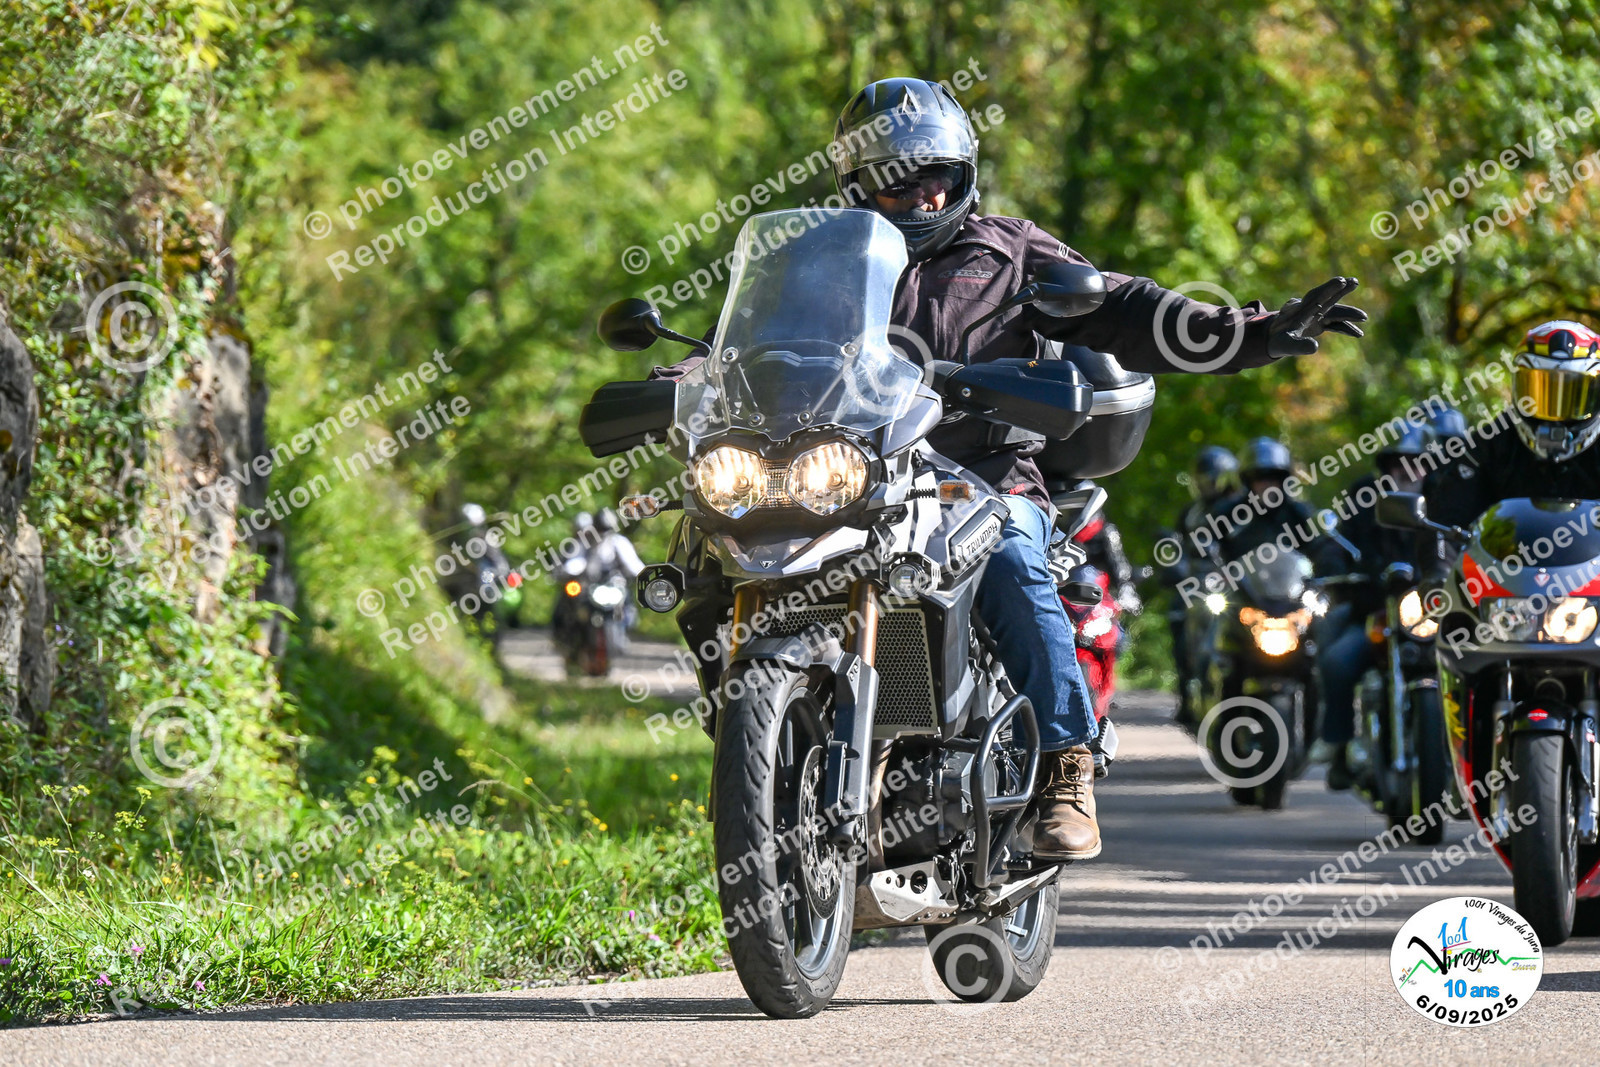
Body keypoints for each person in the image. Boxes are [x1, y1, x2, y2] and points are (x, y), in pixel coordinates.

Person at [650, 77, 1365, 859]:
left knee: (1013, 553)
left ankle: (1065, 765)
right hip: (847, 474)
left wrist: (1253, 333)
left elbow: (1124, 308)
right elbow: (740, 346)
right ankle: (762, 755)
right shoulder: (816, 261)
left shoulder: (1008, 249)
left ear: (963, 172)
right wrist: (678, 385)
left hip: (979, 474)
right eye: (897, 178)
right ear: (857, 183)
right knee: (707, 551)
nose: (922, 193)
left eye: (937, 174)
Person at [1313, 420, 1431, 789]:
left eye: (1416, 463)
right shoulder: (1364, 497)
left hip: (1434, 615)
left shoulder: (1446, 499)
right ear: (1385, 468)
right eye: (1398, 464)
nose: (1407, 471)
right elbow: (1338, 540)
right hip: (1375, 612)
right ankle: (1339, 746)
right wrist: (1334, 564)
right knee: (1337, 660)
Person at [1425, 321, 1600, 528]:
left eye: (1572, 397)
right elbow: (1446, 518)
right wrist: (1442, 548)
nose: (1556, 417)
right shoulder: (1493, 443)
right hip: (1507, 550)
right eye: (1542, 393)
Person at [1160, 447, 1239, 721]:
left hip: (1237, 585)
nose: (1207, 486)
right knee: (1178, 614)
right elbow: (1177, 547)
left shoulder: (1242, 508)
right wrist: (1174, 568)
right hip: (1197, 584)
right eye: (1202, 480)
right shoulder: (1191, 513)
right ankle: (1186, 690)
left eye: (1211, 479)